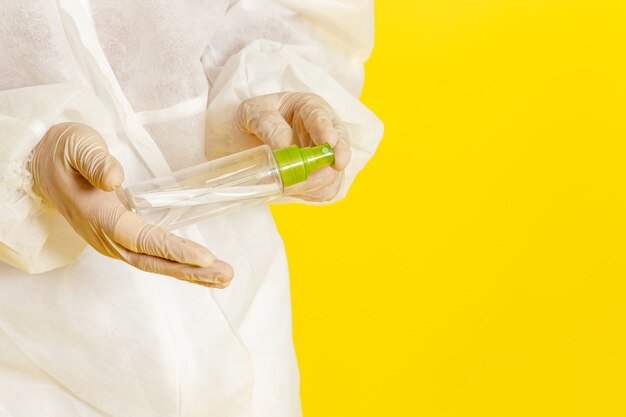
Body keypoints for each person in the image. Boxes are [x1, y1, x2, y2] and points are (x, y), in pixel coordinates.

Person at [0, 1, 382, 416]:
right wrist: (24, 157)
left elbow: (297, 13)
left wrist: (267, 91)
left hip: (242, 312)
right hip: (31, 354)